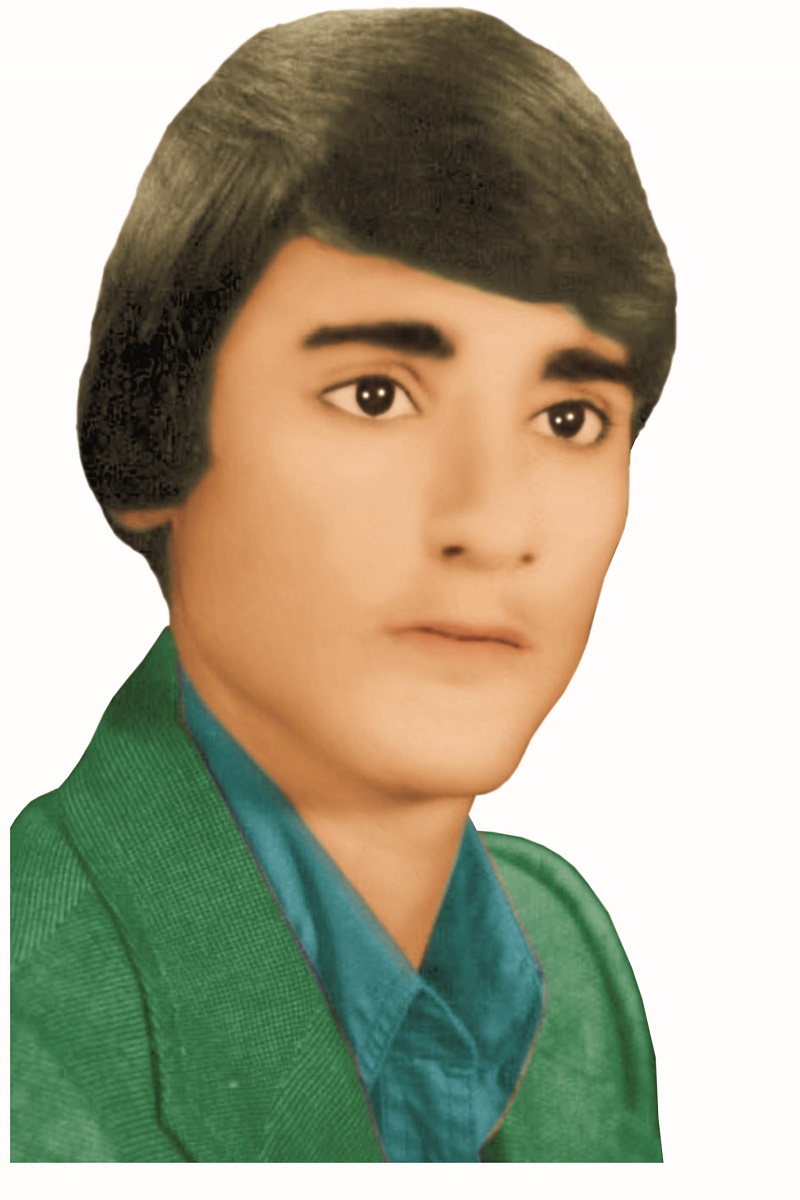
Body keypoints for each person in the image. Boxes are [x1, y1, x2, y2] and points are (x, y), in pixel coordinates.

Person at [10, 7, 676, 1162]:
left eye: (568, 417)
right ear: (152, 442)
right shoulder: (27, 1017)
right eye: (375, 396)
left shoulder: (563, 955)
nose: (491, 523)